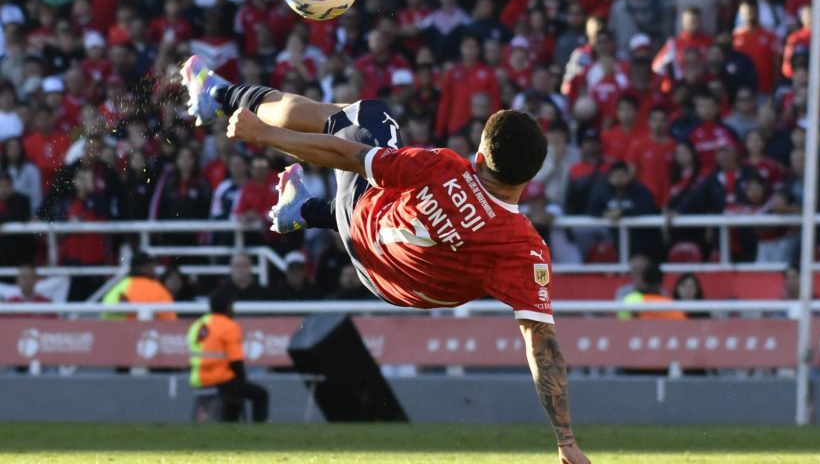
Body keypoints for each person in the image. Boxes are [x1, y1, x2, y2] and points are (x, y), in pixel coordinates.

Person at [181, 55, 591, 463]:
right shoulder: (524, 248)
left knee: (363, 115)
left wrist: (266, 134)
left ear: (480, 157)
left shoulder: (442, 167)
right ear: (529, 177)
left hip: (365, 228)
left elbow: (347, 155)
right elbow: (543, 345)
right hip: (394, 287)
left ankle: (221, 95)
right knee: (396, 195)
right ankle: (305, 210)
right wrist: (566, 441)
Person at [188, 289, 269, 423]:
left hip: (198, 381)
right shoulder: (229, 326)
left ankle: (230, 423)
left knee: (235, 390)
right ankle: (258, 430)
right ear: (227, 306)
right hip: (220, 380)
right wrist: (242, 381)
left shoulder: (197, 325)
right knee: (261, 394)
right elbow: (236, 362)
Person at [102, 252, 177, 321]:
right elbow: (170, 321)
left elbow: (106, 316)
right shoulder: (159, 291)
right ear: (147, 267)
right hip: (148, 331)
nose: (155, 271)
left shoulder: (117, 288)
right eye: (153, 267)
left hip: (115, 330)